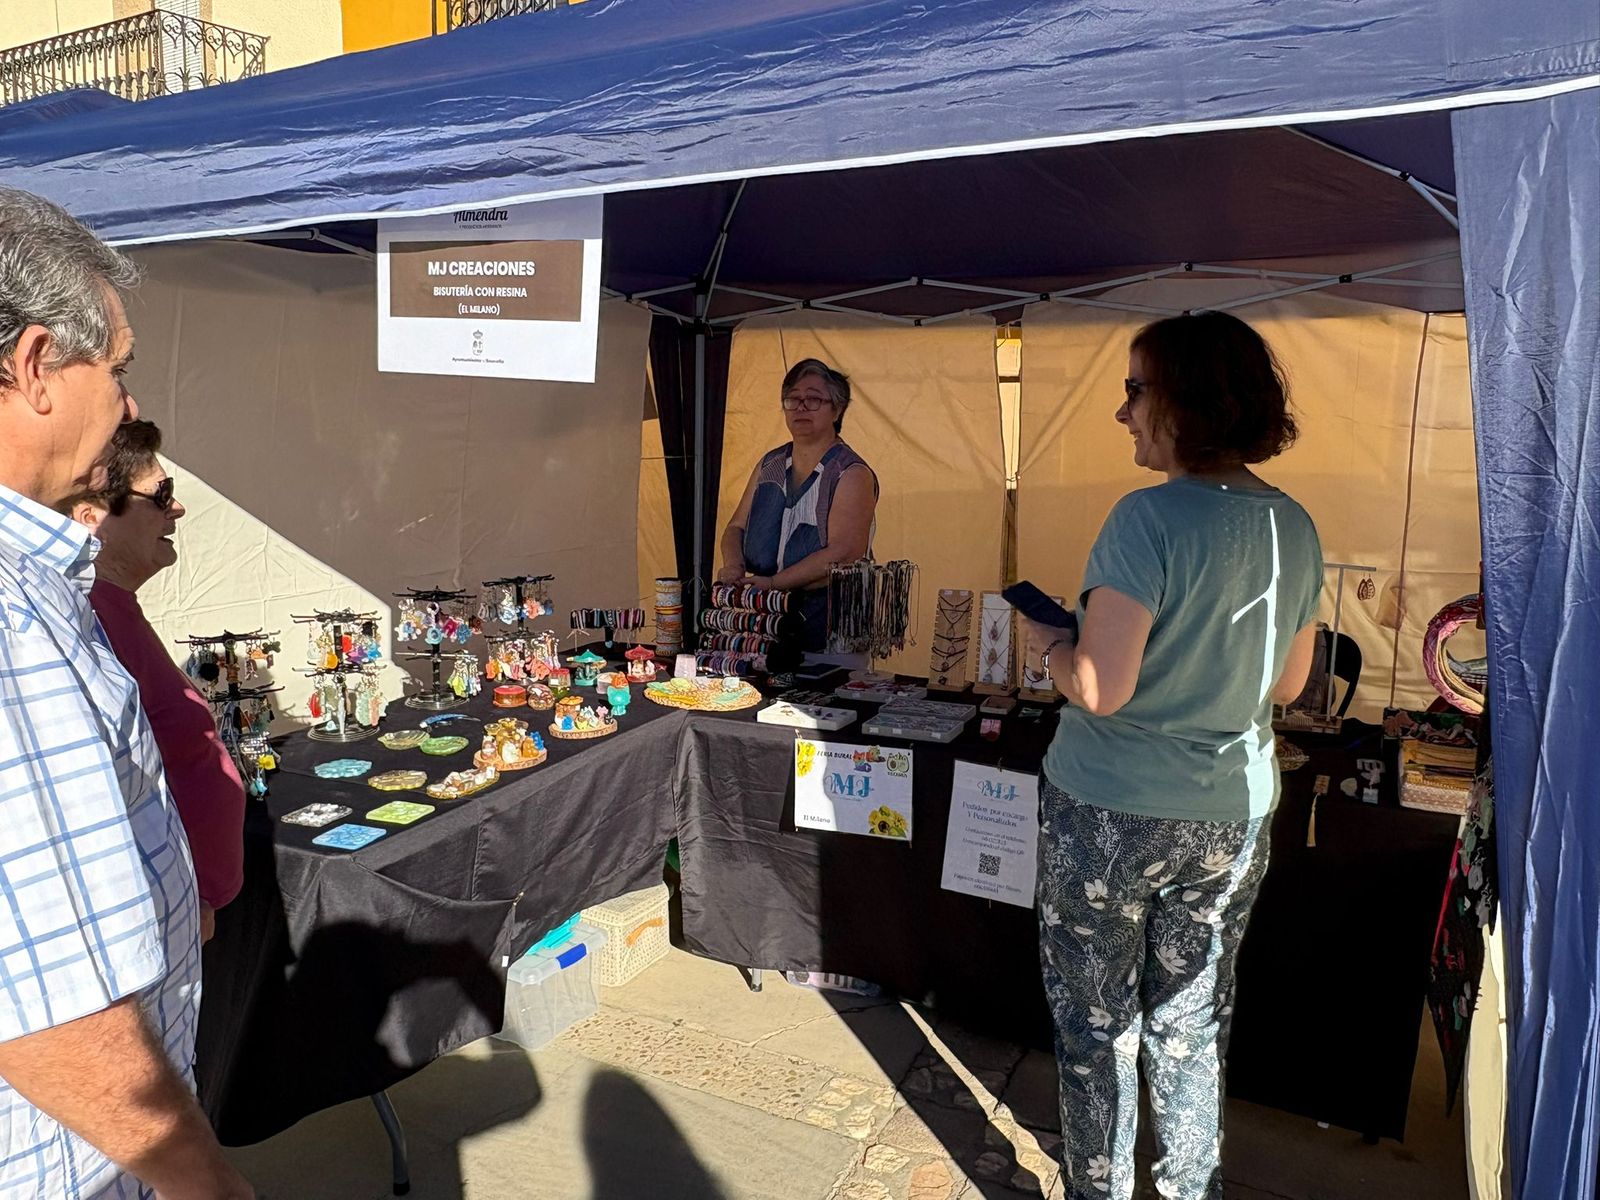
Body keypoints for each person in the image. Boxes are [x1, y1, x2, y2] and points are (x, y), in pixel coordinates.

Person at [1021, 311, 1323, 1200]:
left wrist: (1049, 643)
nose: (1123, 413)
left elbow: (1100, 685)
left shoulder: (1145, 519)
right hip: (1232, 817)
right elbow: (1288, 685)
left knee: (1096, 1025)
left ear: (1185, 401)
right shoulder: (1292, 526)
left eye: (1133, 391)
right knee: (1193, 1020)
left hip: (1109, 812)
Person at [0, 188, 253, 1198]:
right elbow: (51, 1006)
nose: (131, 407)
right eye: (118, 369)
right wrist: (211, 1187)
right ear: (33, 367)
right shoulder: (11, 623)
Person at [62, 421, 247, 946]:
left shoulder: (114, 609)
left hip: (186, 913)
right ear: (90, 515)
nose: (177, 508)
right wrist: (180, 902)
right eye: (160, 494)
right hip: (164, 925)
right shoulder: (87, 622)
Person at [717, 358, 878, 653]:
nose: (801, 407)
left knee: (822, 693)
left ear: (837, 409)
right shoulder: (771, 463)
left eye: (814, 399)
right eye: (792, 399)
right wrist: (734, 565)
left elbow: (843, 552)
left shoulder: (851, 472)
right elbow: (736, 527)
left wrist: (774, 582)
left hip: (829, 618)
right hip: (766, 613)